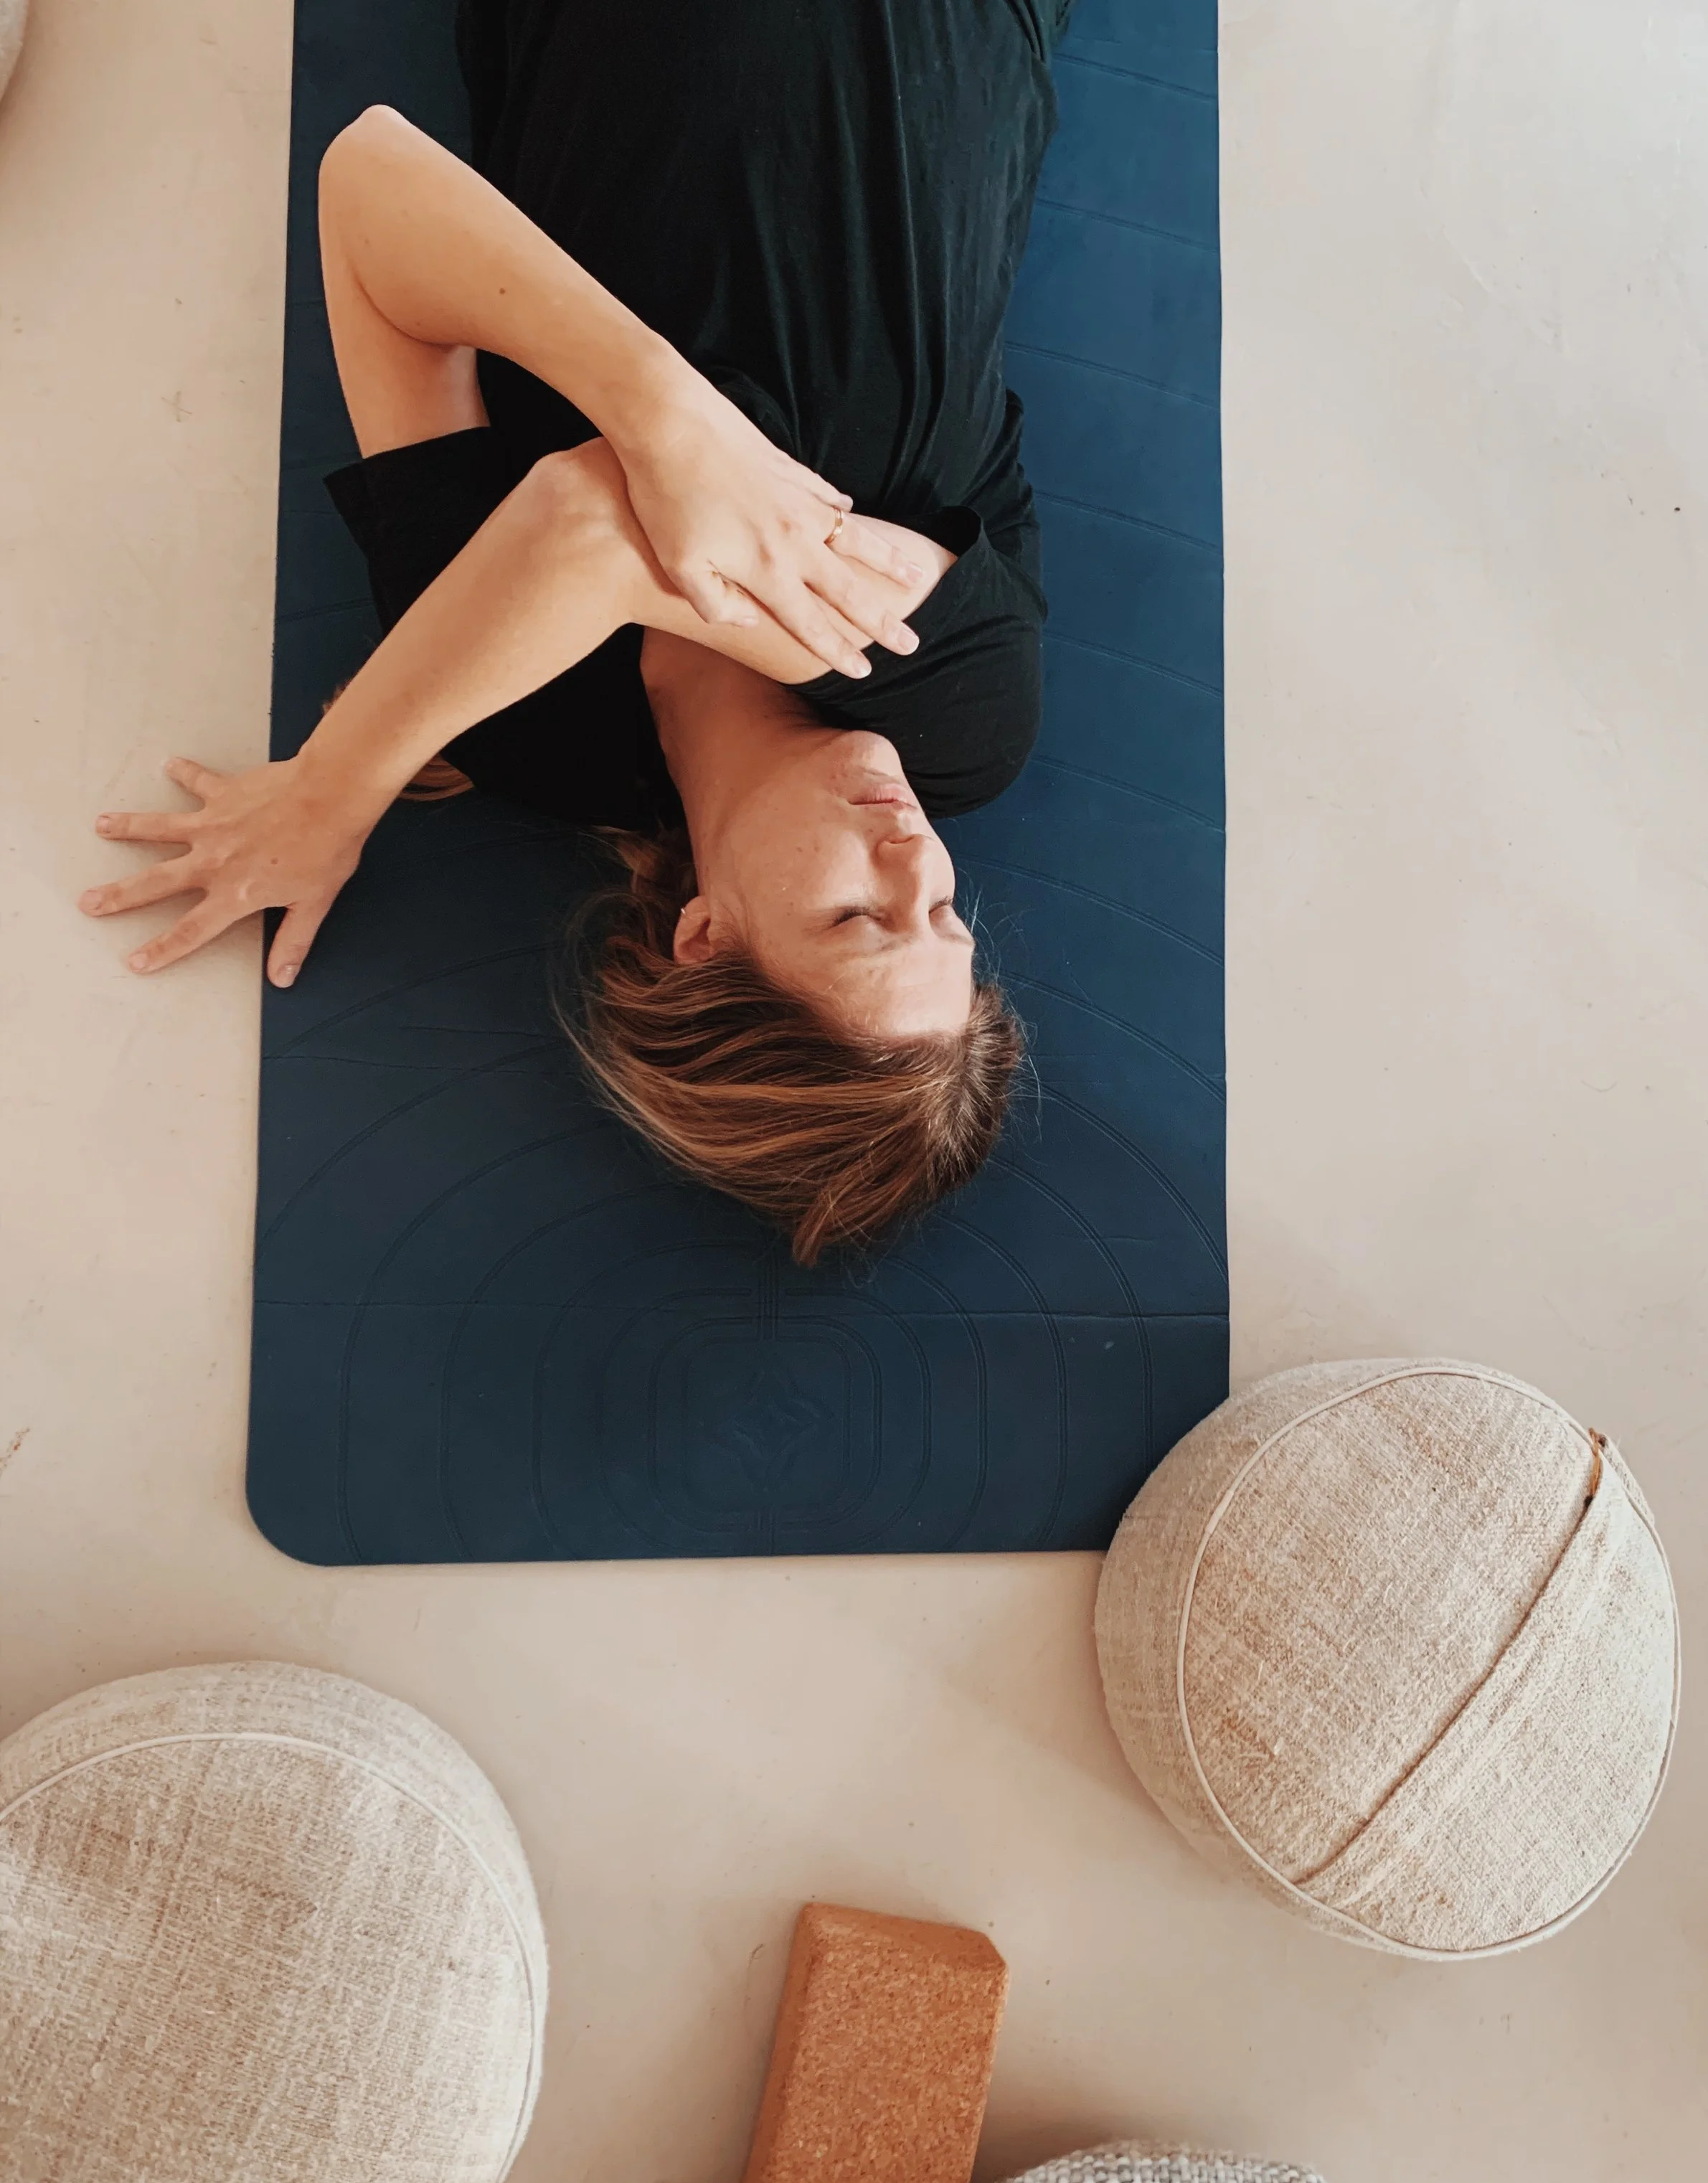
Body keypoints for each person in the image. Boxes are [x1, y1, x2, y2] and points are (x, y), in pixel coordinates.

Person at [80, 0, 1075, 1260]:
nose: (913, 859)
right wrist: (345, 782)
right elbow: (584, 529)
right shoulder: (969, 723)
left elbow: (372, 184)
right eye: (944, 918)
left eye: (857, 920)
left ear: (706, 937)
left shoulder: (531, 734)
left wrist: (670, 425)